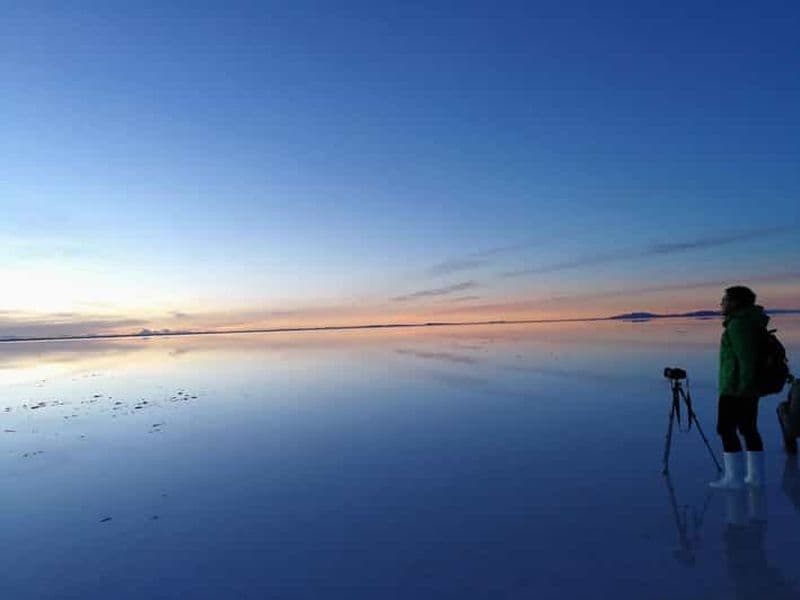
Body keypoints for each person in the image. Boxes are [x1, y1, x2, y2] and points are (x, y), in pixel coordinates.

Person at [710, 286, 768, 489]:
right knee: (748, 429)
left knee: (726, 429)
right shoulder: (749, 321)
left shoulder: (739, 325)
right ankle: (755, 477)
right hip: (746, 388)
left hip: (736, 389)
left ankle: (734, 479)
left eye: (724, 300)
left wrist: (742, 389)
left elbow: (746, 360)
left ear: (735, 302)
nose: (721, 304)